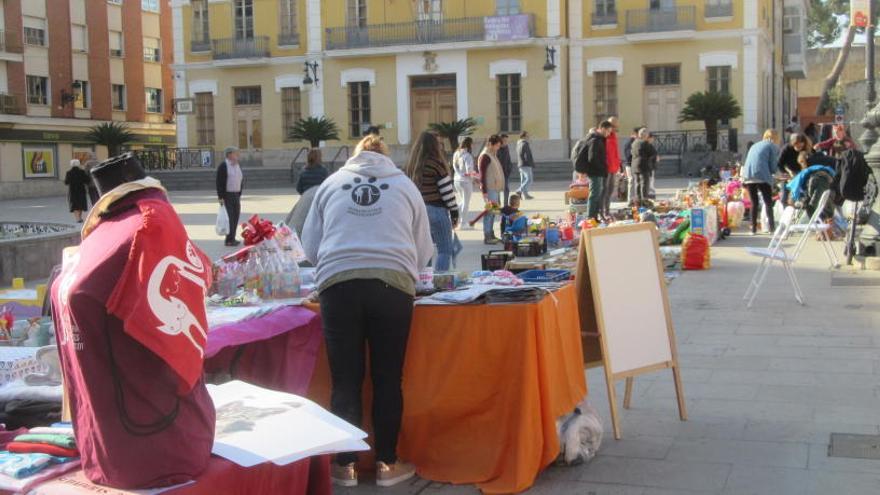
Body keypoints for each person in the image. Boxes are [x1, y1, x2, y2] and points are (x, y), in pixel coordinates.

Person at [302, 135, 432, 488]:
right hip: (392, 285)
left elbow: (311, 245)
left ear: (356, 156)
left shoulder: (331, 184)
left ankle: (345, 466)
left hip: (339, 284)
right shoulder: (405, 186)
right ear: (386, 158)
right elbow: (423, 250)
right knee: (388, 379)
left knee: (345, 380)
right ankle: (388, 463)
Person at [405, 132, 459, 273]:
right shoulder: (436, 164)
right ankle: (439, 281)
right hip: (436, 210)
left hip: (417, 212)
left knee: (424, 251)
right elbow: (447, 192)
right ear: (434, 146)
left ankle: (424, 282)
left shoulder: (411, 166)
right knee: (444, 249)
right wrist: (454, 212)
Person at [742, 129, 781, 235]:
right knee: (768, 202)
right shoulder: (772, 146)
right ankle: (772, 228)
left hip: (748, 175)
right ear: (775, 138)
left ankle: (753, 229)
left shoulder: (755, 145)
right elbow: (773, 165)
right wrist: (776, 174)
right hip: (762, 175)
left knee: (754, 202)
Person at [574, 122, 611, 221]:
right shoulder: (595, 140)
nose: (608, 134)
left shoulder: (598, 139)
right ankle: (590, 217)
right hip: (595, 172)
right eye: (608, 131)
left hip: (597, 171)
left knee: (596, 194)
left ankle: (594, 216)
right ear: (602, 128)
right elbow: (592, 158)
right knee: (594, 194)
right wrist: (601, 168)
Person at [478, 134, 505, 244]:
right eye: (497, 145)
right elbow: (482, 175)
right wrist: (484, 191)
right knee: (490, 213)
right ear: (490, 144)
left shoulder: (492, 154)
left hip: (495, 188)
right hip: (490, 189)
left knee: (493, 212)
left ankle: (491, 234)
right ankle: (487, 236)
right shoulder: (485, 156)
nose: (498, 147)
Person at [216, 147, 244, 247]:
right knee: (230, 218)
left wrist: (240, 192)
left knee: (236, 216)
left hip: (236, 194)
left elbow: (240, 179)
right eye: (235, 153)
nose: (237, 155)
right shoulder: (223, 166)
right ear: (229, 154)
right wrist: (220, 197)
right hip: (227, 195)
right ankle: (228, 240)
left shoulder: (237, 165)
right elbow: (219, 182)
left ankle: (232, 237)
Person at [777, 133, 812, 204]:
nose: (798, 146)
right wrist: (787, 173)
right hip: (788, 173)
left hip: (802, 174)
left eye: (800, 144)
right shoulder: (787, 149)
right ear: (792, 143)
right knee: (784, 196)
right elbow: (779, 164)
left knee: (802, 195)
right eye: (796, 144)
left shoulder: (806, 149)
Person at [452, 137, 477, 228]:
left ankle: (453, 214)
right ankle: (463, 223)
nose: (473, 145)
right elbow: (469, 170)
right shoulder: (468, 156)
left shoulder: (456, 153)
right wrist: (475, 178)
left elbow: (454, 167)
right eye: (472, 143)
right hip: (466, 181)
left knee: (463, 201)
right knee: (466, 203)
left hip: (456, 180)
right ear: (469, 144)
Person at [601, 117, 622, 220]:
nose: (615, 128)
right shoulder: (604, 136)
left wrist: (619, 165)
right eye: (613, 126)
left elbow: (615, 152)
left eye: (616, 126)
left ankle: (607, 211)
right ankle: (603, 212)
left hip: (613, 168)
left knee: (609, 191)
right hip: (606, 168)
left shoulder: (613, 136)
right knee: (604, 191)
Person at [630, 128, 656, 205]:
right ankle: (644, 201)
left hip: (635, 165)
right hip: (643, 165)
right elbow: (653, 152)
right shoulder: (645, 143)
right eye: (647, 134)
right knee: (644, 184)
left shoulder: (634, 142)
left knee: (637, 184)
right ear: (645, 135)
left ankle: (638, 201)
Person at [515, 131, 535, 199]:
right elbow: (527, 155)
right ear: (523, 137)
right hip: (526, 164)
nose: (528, 137)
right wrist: (531, 163)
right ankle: (519, 190)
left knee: (523, 180)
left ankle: (525, 195)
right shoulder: (525, 144)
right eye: (527, 136)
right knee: (529, 179)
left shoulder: (518, 144)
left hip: (520, 164)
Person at [497, 134, 514, 206]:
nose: (506, 142)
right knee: (497, 190)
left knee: (506, 189)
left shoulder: (506, 148)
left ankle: (506, 205)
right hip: (497, 173)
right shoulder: (496, 149)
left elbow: (508, 159)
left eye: (507, 141)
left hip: (506, 172)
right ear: (500, 141)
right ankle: (498, 204)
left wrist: (509, 168)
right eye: (504, 141)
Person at [623, 127, 639, 205]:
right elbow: (629, 155)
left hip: (632, 164)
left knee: (633, 182)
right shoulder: (630, 142)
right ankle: (630, 200)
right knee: (631, 181)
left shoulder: (634, 141)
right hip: (630, 164)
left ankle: (634, 200)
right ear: (635, 134)